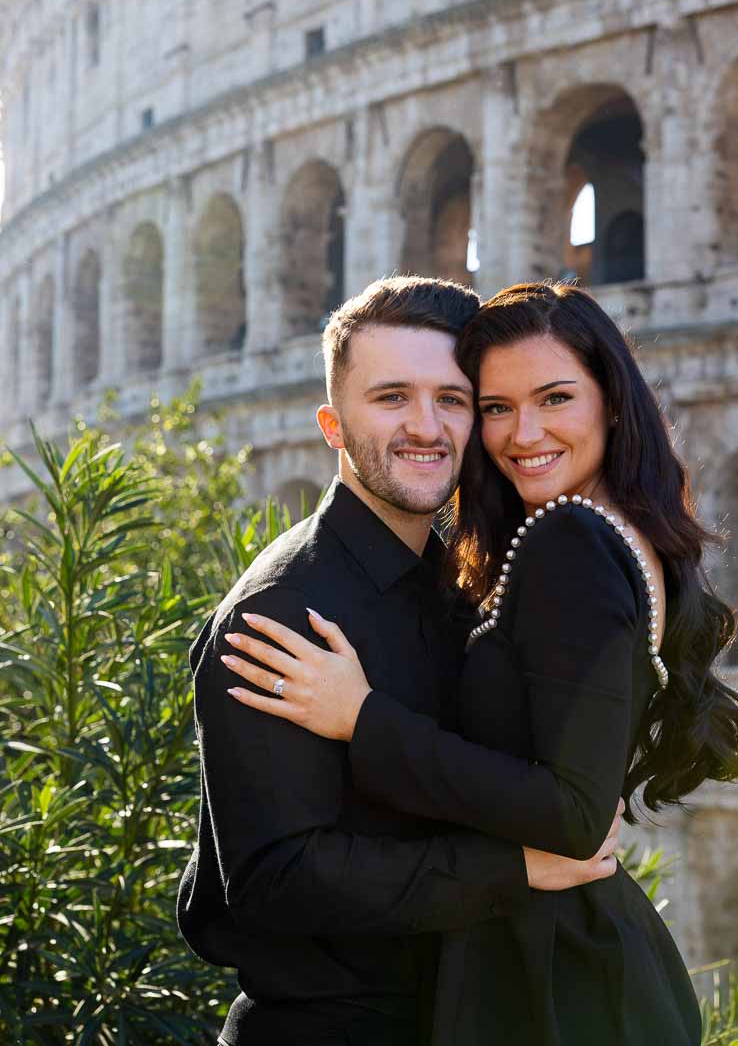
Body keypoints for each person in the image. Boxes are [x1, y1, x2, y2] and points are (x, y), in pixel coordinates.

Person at [223, 280, 738, 1046]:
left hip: (548, 971)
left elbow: (574, 818)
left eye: (554, 398)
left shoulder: (567, 540)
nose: (521, 433)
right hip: (564, 955)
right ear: (334, 426)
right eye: (498, 407)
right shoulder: (622, 531)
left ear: (611, 401)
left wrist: (363, 718)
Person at [177, 277, 623, 1046]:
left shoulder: (461, 582)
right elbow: (273, 882)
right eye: (391, 398)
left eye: (452, 400)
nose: (427, 427)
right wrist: (513, 868)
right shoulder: (280, 612)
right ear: (332, 424)